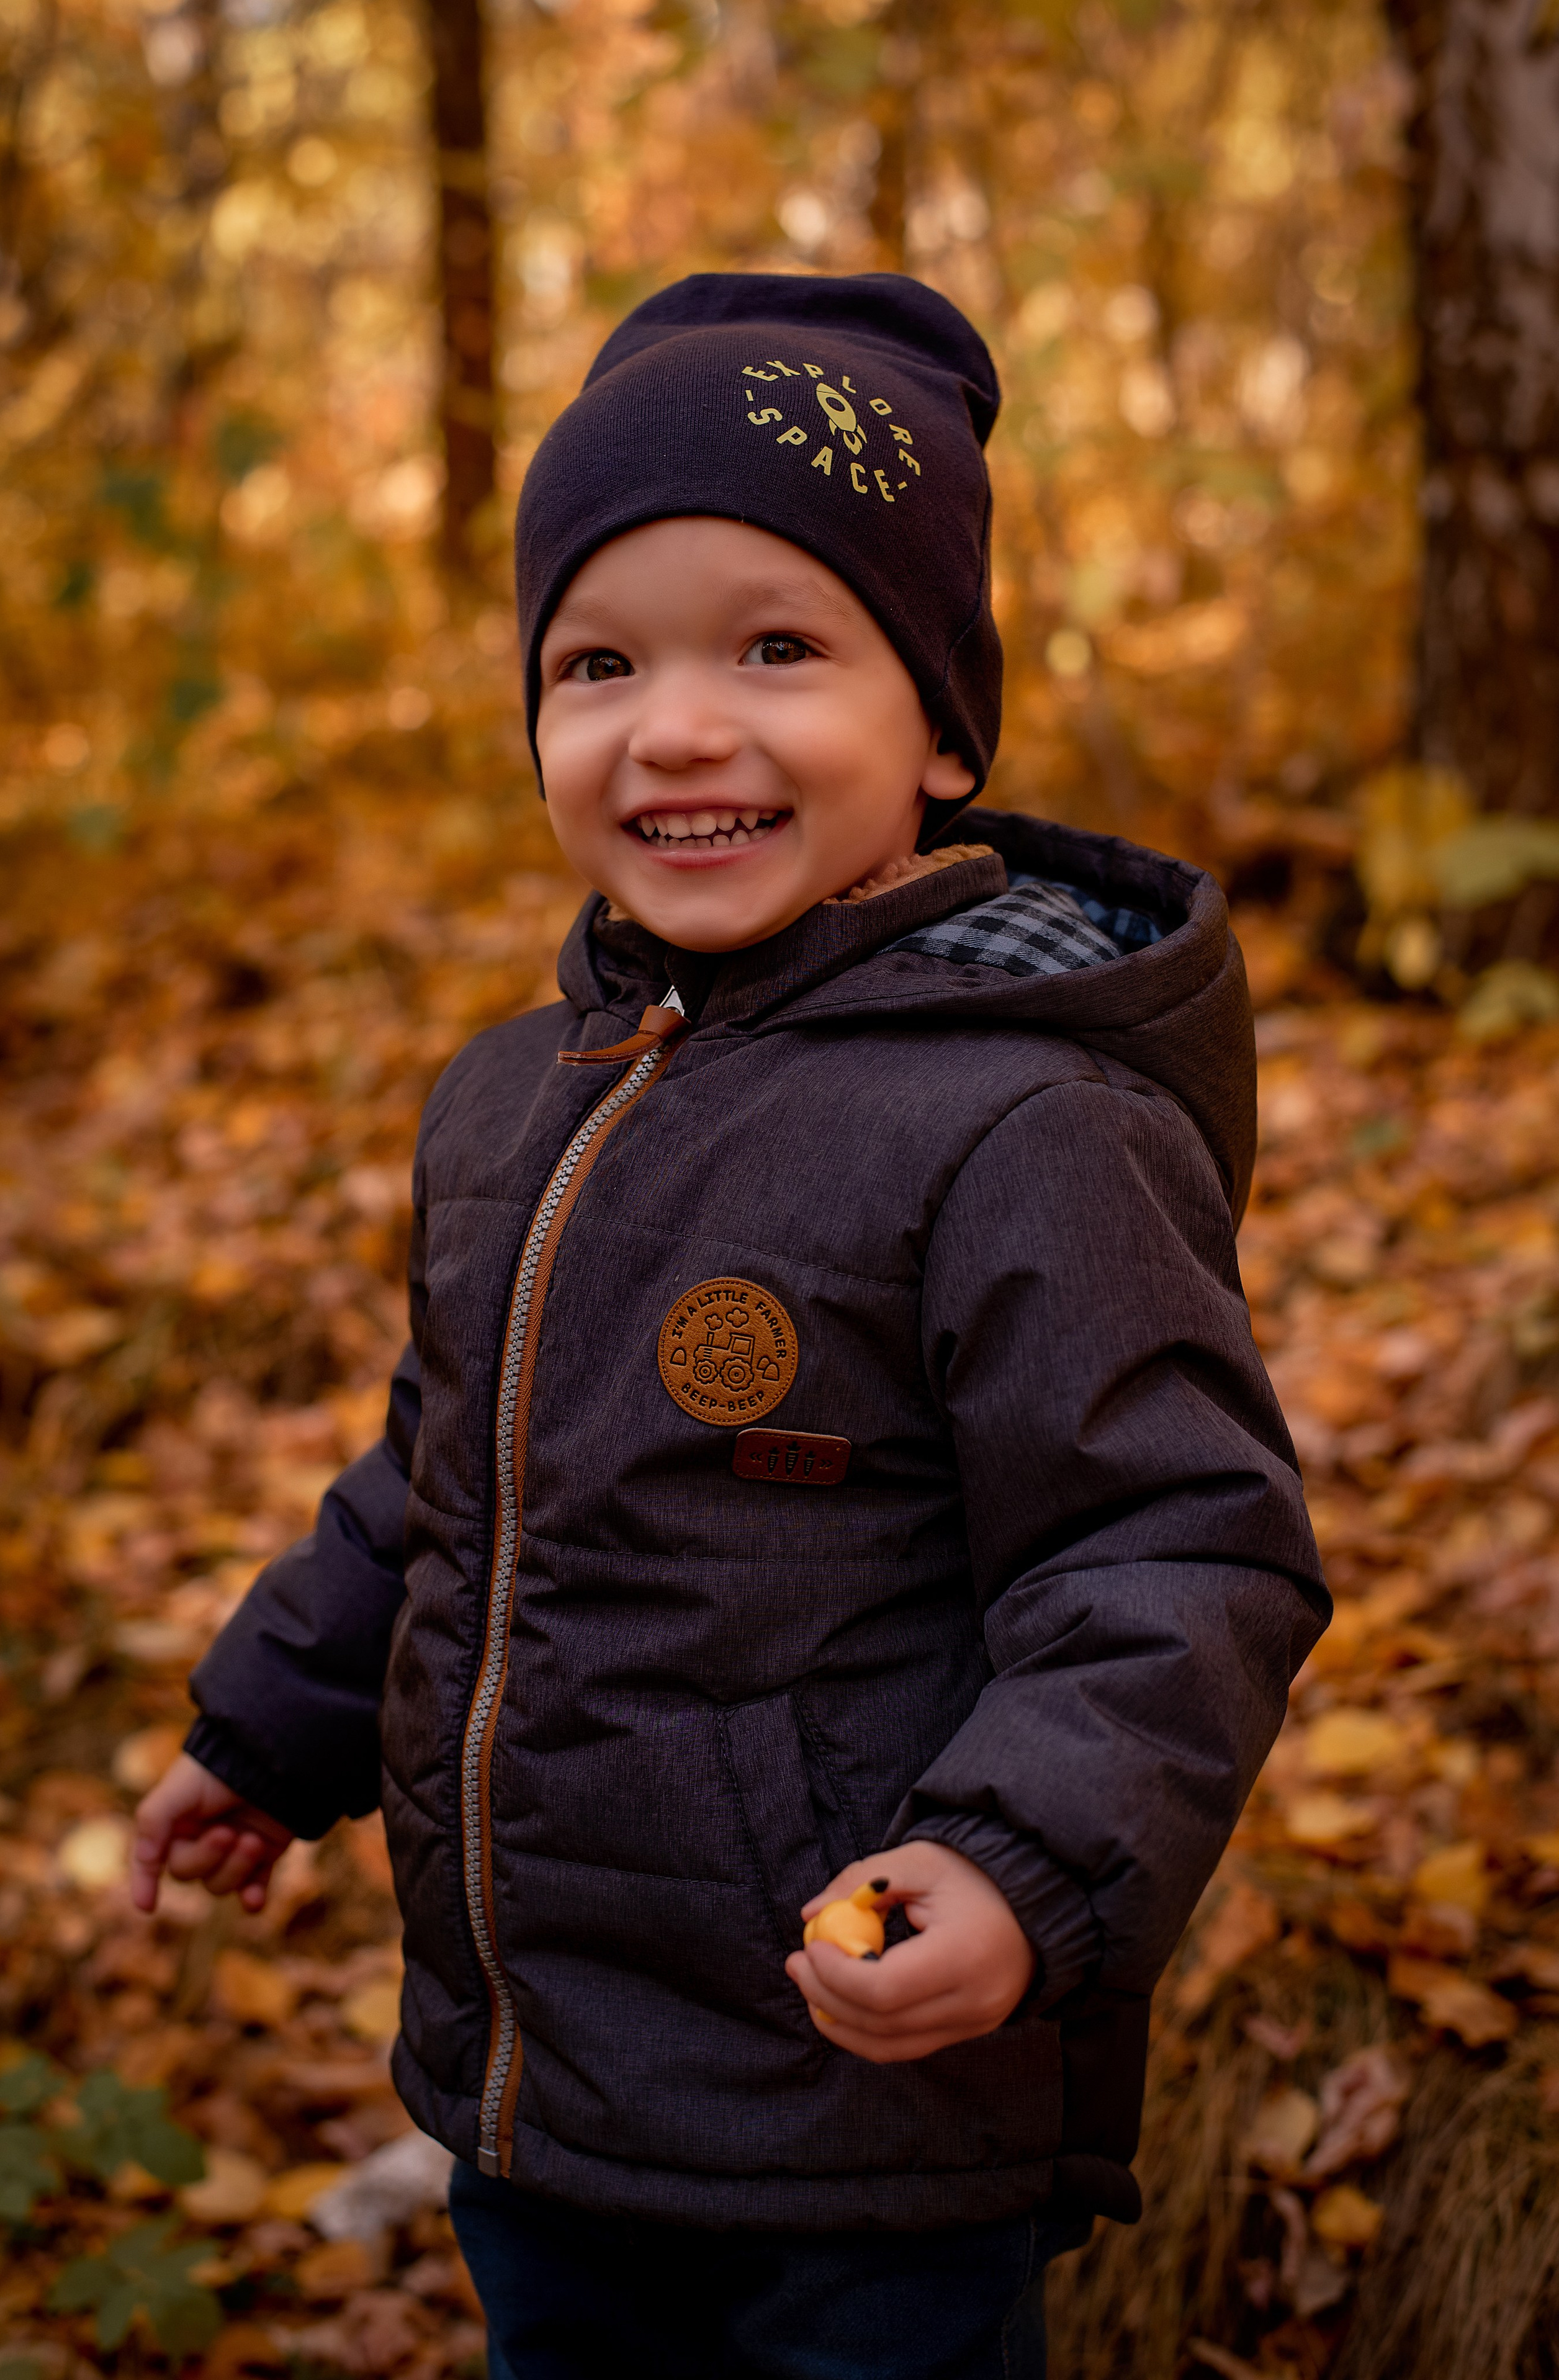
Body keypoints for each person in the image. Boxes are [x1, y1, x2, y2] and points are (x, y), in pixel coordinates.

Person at [131, 273, 1327, 2379]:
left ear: (942, 728)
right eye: (599, 662)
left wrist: (1017, 1864)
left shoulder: (1024, 1117)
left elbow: (1171, 1550)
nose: (676, 726)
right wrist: (269, 1725)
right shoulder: (516, 1097)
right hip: (544, 2084)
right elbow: (446, 1465)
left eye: (779, 647)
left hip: (854, 2099)